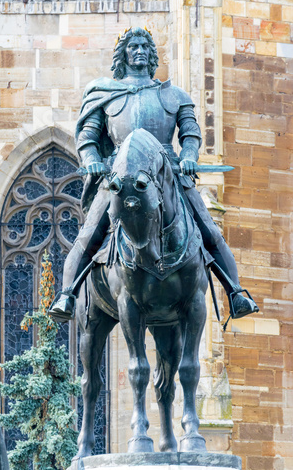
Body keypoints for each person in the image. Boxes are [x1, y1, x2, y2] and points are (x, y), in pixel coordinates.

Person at [49, 26, 258, 324]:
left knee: (210, 230)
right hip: (119, 176)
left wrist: (188, 157)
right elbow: (88, 136)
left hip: (168, 174)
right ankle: (67, 295)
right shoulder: (106, 93)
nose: (140, 51)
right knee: (90, 233)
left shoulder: (173, 95)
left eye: (145, 46)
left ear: (152, 54)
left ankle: (237, 294)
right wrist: (92, 159)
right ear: (123, 53)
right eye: (133, 46)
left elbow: (191, 134)